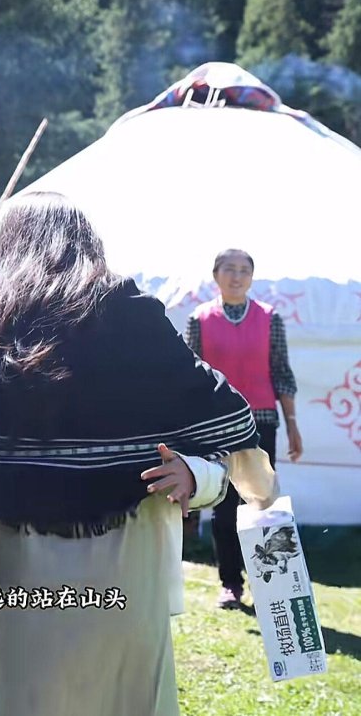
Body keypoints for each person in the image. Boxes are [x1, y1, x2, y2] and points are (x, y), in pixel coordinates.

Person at [0, 193, 278, 716]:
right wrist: (213, 476)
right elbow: (229, 419)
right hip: (124, 584)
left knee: (15, 697)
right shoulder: (133, 320)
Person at [184, 248, 302, 610]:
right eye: (229, 269)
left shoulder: (270, 319)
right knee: (224, 505)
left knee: (264, 503)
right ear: (215, 275)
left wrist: (293, 425)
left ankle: (271, 583)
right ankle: (231, 584)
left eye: (244, 271)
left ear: (252, 277)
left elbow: (282, 373)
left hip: (262, 420)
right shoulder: (199, 319)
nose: (237, 277)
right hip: (217, 427)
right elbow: (191, 380)